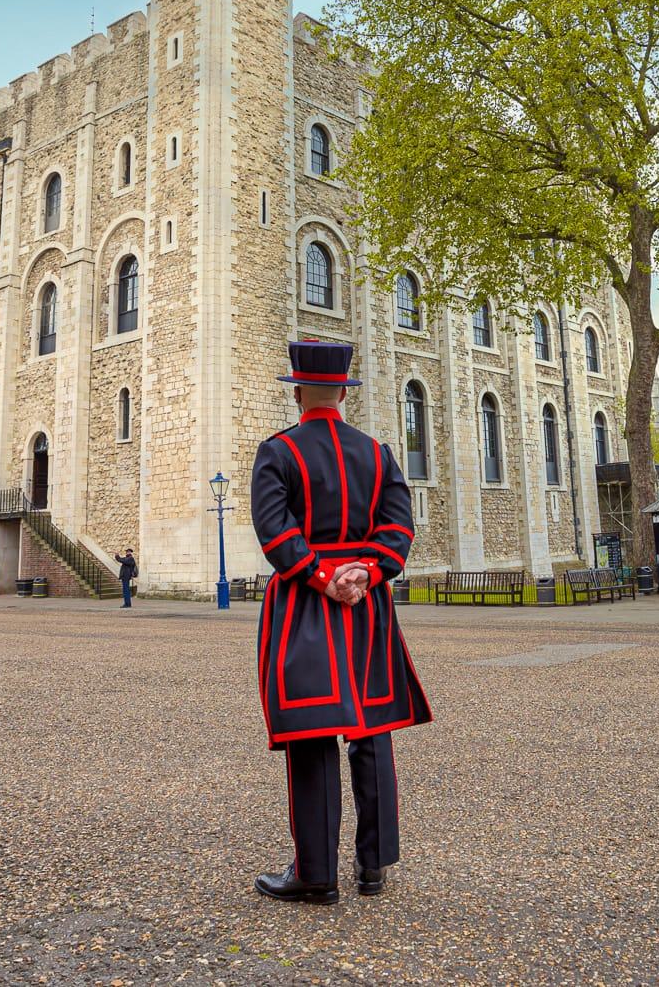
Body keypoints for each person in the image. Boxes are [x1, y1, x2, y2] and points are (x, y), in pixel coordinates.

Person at [252, 339, 430, 906]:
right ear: (344, 395)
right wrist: (368, 575)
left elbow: (276, 533)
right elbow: (398, 529)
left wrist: (322, 577)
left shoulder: (277, 452)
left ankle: (316, 873)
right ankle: (373, 866)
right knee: (371, 729)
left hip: (306, 605)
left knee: (311, 735)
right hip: (367, 610)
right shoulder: (377, 454)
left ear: (299, 391)